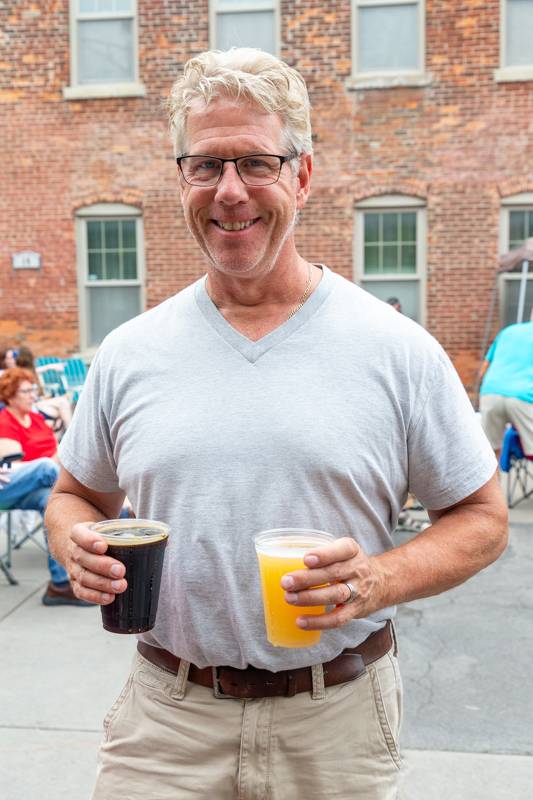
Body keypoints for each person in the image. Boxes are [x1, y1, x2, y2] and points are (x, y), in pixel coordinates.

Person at [46, 49, 507, 799]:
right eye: (205, 166)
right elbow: (75, 495)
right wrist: (73, 542)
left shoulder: (392, 348)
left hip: (337, 721)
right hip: (166, 721)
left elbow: (483, 519)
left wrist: (376, 579)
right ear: (181, 182)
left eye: (256, 163)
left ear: (302, 175)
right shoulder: (131, 352)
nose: (230, 192)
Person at [0, 369, 92, 606]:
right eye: (26, 391)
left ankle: (59, 585)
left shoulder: (38, 419)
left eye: (33, 390)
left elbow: (59, 449)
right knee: (43, 467)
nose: (33, 395)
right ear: (10, 396)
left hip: (39, 485)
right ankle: (90, 494)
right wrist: (54, 463)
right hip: (8, 486)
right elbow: (11, 465)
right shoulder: (5, 421)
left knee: (49, 501)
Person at [479, 309, 533, 458]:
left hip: (491, 392)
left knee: (489, 454)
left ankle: (496, 481)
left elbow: (483, 370)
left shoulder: (507, 332)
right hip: (524, 397)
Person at [15, 346, 73, 434]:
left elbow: (39, 371)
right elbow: (30, 398)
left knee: (61, 408)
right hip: (33, 407)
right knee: (62, 404)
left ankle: (64, 439)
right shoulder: (23, 376)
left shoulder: (26, 373)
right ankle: (71, 435)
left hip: (37, 404)